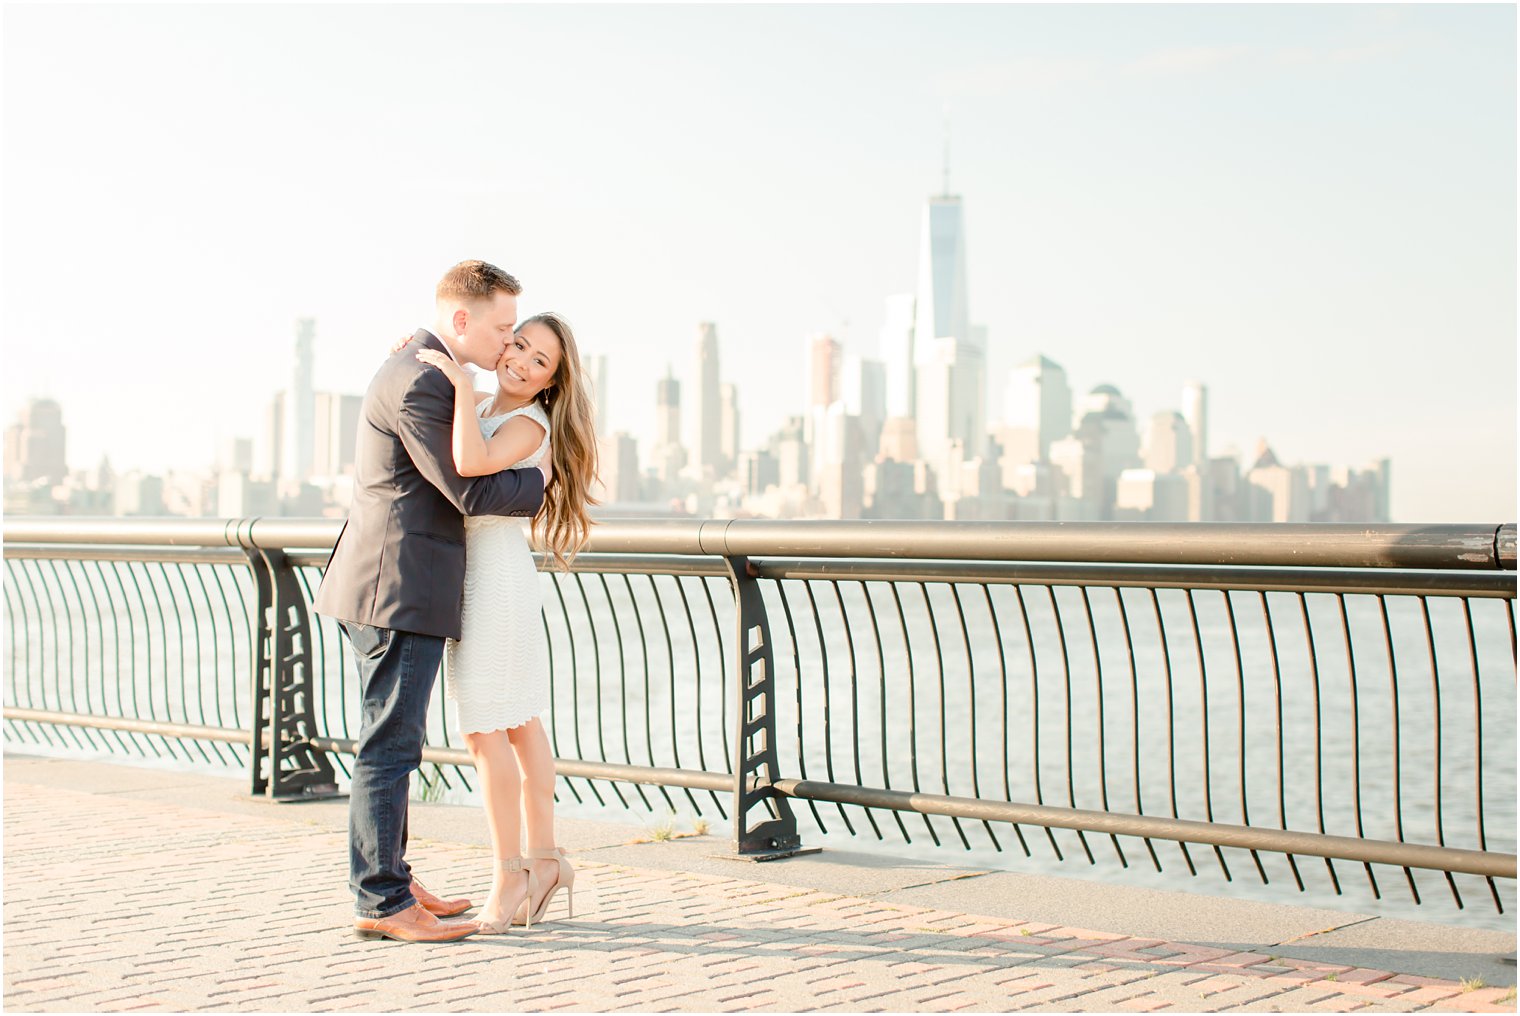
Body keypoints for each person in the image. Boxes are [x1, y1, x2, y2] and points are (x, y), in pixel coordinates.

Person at [313, 260, 548, 944]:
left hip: (394, 584)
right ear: (463, 320)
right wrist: (539, 491)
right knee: (389, 747)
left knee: (396, 740)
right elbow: (466, 490)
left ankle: (392, 877)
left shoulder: (422, 368)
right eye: (504, 328)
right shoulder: (423, 378)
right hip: (398, 588)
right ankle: (383, 902)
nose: (508, 343)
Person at [413, 310, 598, 934]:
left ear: (550, 383)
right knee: (517, 723)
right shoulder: (494, 402)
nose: (520, 360)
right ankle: (545, 861)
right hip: (488, 578)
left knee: (484, 730)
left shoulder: (524, 422)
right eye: (518, 344)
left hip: (495, 583)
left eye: (539, 361)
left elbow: (466, 461)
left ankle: (509, 872)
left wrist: (461, 385)